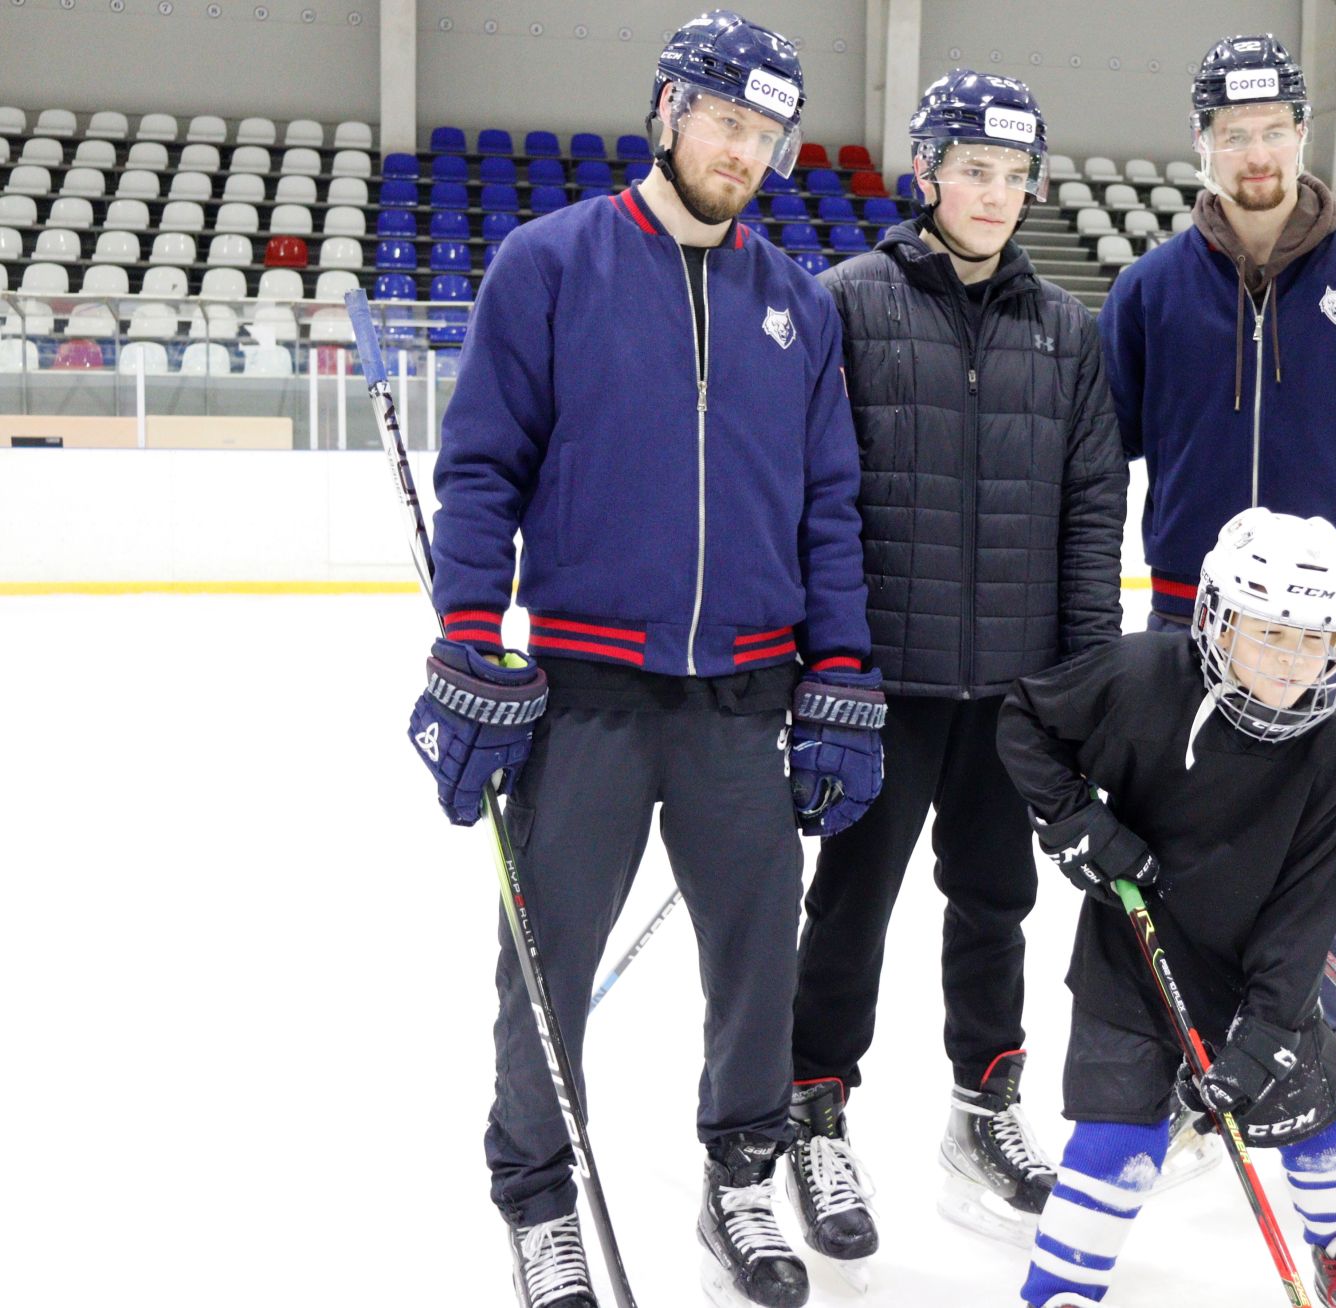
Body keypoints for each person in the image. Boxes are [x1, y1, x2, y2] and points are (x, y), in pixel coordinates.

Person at [404, 12, 880, 1307]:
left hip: (742, 700)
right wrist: (464, 637)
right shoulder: (548, 265)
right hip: (585, 699)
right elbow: (483, 472)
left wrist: (844, 672)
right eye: (727, 121)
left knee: (753, 964)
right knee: (546, 966)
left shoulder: (794, 305)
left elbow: (826, 503)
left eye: (767, 135)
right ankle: (540, 1199)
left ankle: (740, 1177)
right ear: (668, 110)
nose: (744, 151)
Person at [782, 68, 1129, 1266]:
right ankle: (816, 1104)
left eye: (1015, 174)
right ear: (925, 171)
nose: (996, 192)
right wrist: (825, 666)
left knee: (997, 904)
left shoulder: (1068, 332)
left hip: (1018, 690)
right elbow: (815, 499)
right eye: (974, 168)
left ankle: (986, 1102)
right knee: (850, 908)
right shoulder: (845, 303)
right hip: (883, 686)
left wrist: (1087, 681)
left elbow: (1094, 507)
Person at [1098, 32, 1336, 1061]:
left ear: (1303, 134)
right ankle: (1194, 1038)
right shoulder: (1148, 291)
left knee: (1331, 851)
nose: (1255, 151)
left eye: (1273, 130)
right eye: (1234, 133)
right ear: (1202, 145)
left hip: (1331, 627)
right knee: (1185, 839)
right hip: (1189, 618)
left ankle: (1325, 1042)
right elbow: (1095, 456)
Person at [998, 508, 1336, 1308]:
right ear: (1218, 620)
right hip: (1131, 955)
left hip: (1254, 977)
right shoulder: (1141, 680)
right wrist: (1078, 823)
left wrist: (1263, 1040)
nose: (1293, 663)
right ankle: (1060, 1292)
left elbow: (1305, 917)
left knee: (1326, 1129)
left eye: (1313, 640)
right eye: (1268, 633)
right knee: (1117, 1144)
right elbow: (1025, 722)